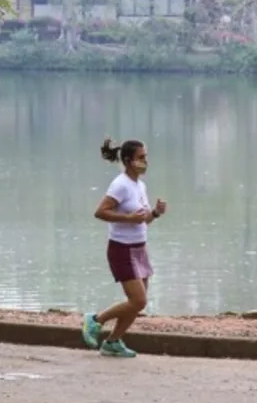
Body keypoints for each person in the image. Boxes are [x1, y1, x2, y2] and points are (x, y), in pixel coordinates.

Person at [81, 139, 168, 358]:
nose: (145, 161)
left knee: (136, 305)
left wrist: (155, 213)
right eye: (141, 158)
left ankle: (112, 342)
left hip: (139, 249)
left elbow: (143, 220)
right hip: (122, 249)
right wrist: (128, 218)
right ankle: (95, 320)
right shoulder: (120, 184)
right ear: (128, 161)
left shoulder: (140, 186)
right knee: (138, 301)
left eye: (146, 157)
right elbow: (100, 212)